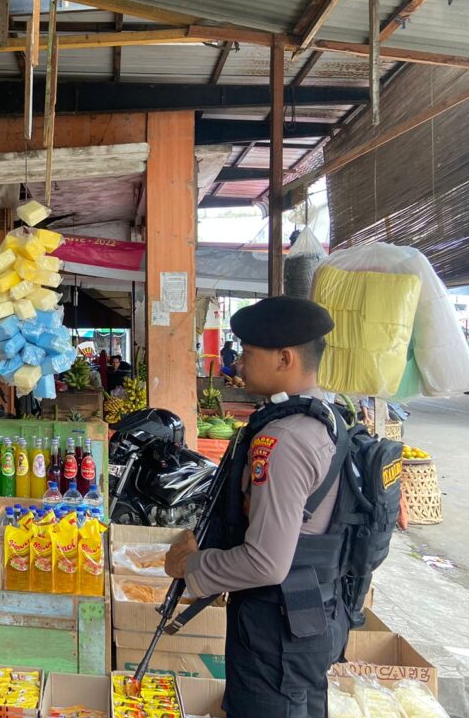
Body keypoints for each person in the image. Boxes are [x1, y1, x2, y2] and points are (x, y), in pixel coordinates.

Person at [164, 296, 347, 718]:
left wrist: (191, 566)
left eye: (247, 353)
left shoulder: (282, 440)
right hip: (308, 616)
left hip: (275, 633)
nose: (239, 364)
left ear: (284, 358)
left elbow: (266, 562)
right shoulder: (330, 418)